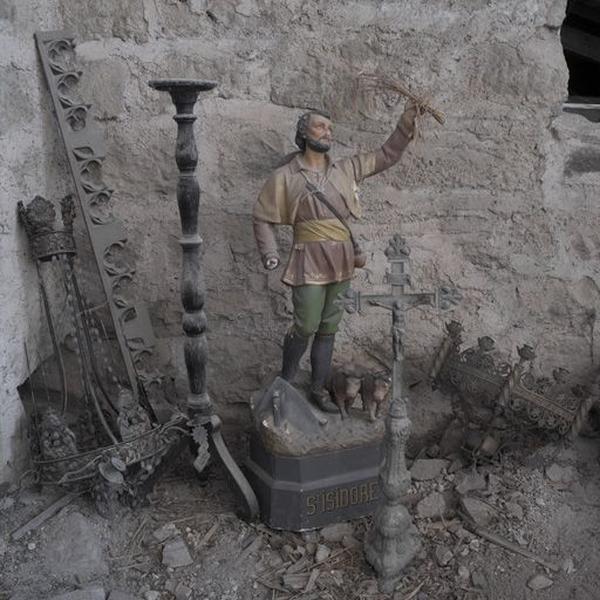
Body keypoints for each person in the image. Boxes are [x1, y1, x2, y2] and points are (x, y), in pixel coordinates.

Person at [253, 100, 420, 412]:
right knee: (305, 323)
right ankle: (285, 383)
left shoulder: (346, 169)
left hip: (342, 258)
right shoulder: (285, 176)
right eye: (320, 126)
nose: (327, 132)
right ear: (304, 133)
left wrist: (405, 125)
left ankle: (318, 389)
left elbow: (386, 155)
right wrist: (270, 253)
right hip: (309, 257)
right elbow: (262, 217)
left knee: (329, 326)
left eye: (330, 128)